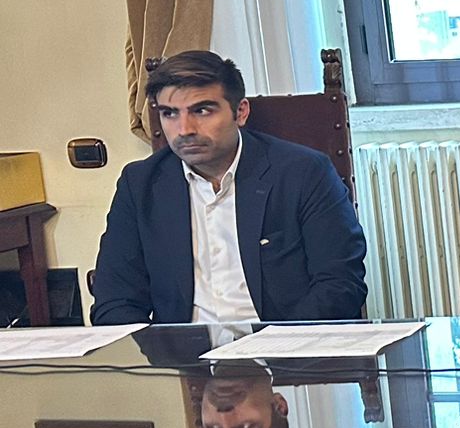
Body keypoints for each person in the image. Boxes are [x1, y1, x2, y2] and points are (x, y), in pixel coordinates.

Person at [91, 51, 367, 325]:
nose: (184, 129)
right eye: (170, 113)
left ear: (240, 112)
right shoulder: (140, 185)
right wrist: (157, 351)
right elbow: (114, 301)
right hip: (183, 351)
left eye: (202, 110)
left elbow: (340, 285)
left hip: (285, 346)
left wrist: (277, 346)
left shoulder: (304, 173)